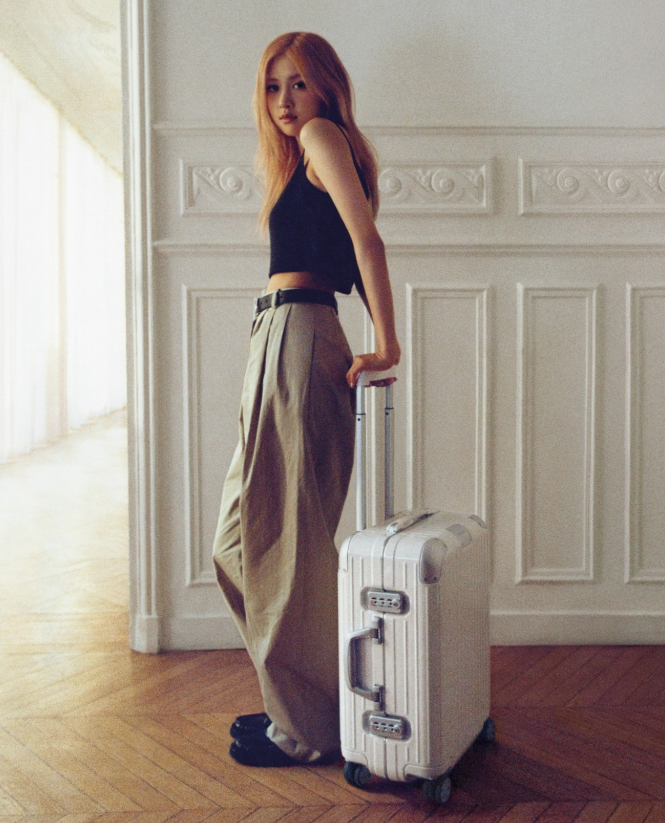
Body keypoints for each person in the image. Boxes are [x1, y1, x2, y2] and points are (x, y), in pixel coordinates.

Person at [212, 31, 400, 768]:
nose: (285, 100)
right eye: (272, 86)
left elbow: (367, 241)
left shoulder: (322, 135)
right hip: (276, 335)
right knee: (241, 542)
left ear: (325, 86)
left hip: (299, 332)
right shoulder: (299, 157)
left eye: (298, 83)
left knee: (284, 541)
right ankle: (297, 705)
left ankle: (308, 730)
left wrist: (388, 343)